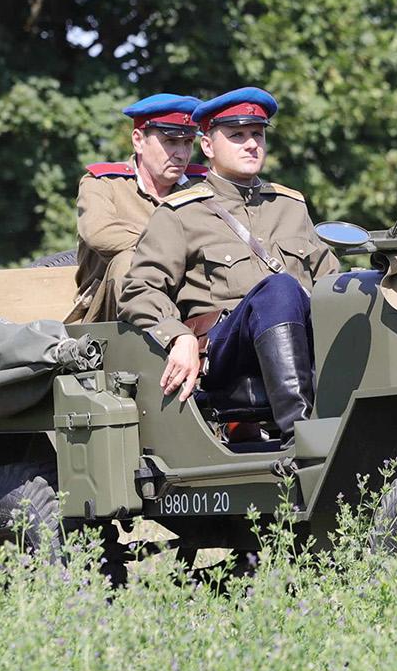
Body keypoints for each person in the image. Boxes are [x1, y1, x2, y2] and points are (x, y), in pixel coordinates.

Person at [118, 87, 339, 447]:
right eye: (237, 135)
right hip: (227, 351)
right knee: (280, 288)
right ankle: (302, 437)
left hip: (298, 340)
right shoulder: (182, 213)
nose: (251, 144)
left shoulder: (290, 206)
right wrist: (178, 334)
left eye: (258, 134)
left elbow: (331, 282)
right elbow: (138, 290)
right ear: (207, 146)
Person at [70, 93, 209, 322]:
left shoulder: (200, 188)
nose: (182, 154)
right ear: (138, 140)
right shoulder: (103, 183)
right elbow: (99, 233)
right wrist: (173, 248)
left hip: (187, 305)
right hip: (110, 316)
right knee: (130, 262)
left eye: (188, 142)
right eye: (171, 141)